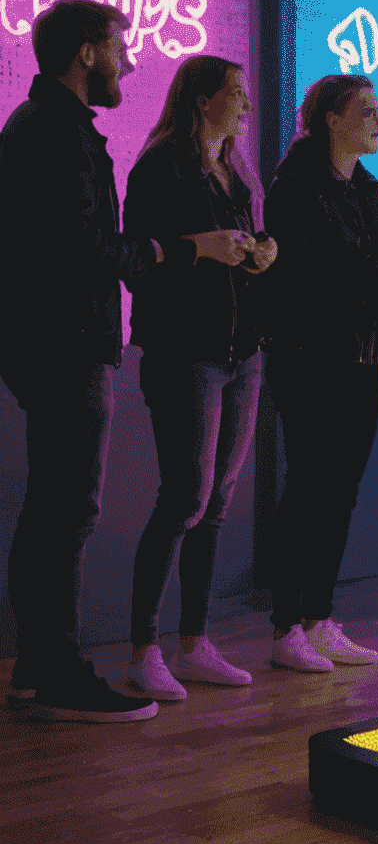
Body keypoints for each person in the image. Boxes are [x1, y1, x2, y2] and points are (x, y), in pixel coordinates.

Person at [0, 0, 187, 723]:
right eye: (120, 47)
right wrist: (165, 251)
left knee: (56, 508)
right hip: (65, 343)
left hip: (54, 341)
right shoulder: (54, 134)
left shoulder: (45, 127)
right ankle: (56, 674)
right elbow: (84, 250)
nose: (131, 62)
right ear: (85, 53)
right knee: (66, 510)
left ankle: (39, 668)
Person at [262, 75, 378, 672]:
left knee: (339, 493)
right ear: (332, 121)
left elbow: (376, 263)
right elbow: (314, 274)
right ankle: (287, 624)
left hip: (362, 357)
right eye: (367, 111)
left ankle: (319, 616)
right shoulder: (295, 186)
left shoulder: (366, 187)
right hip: (309, 356)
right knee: (309, 490)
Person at [121, 56, 276, 700]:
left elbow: (257, 241)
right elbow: (135, 263)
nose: (246, 105)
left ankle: (194, 642)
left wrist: (264, 252)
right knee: (185, 497)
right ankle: (143, 650)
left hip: (243, 352)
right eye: (235, 93)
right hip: (186, 352)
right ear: (201, 98)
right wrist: (200, 246)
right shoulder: (159, 165)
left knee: (216, 501)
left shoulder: (237, 171)